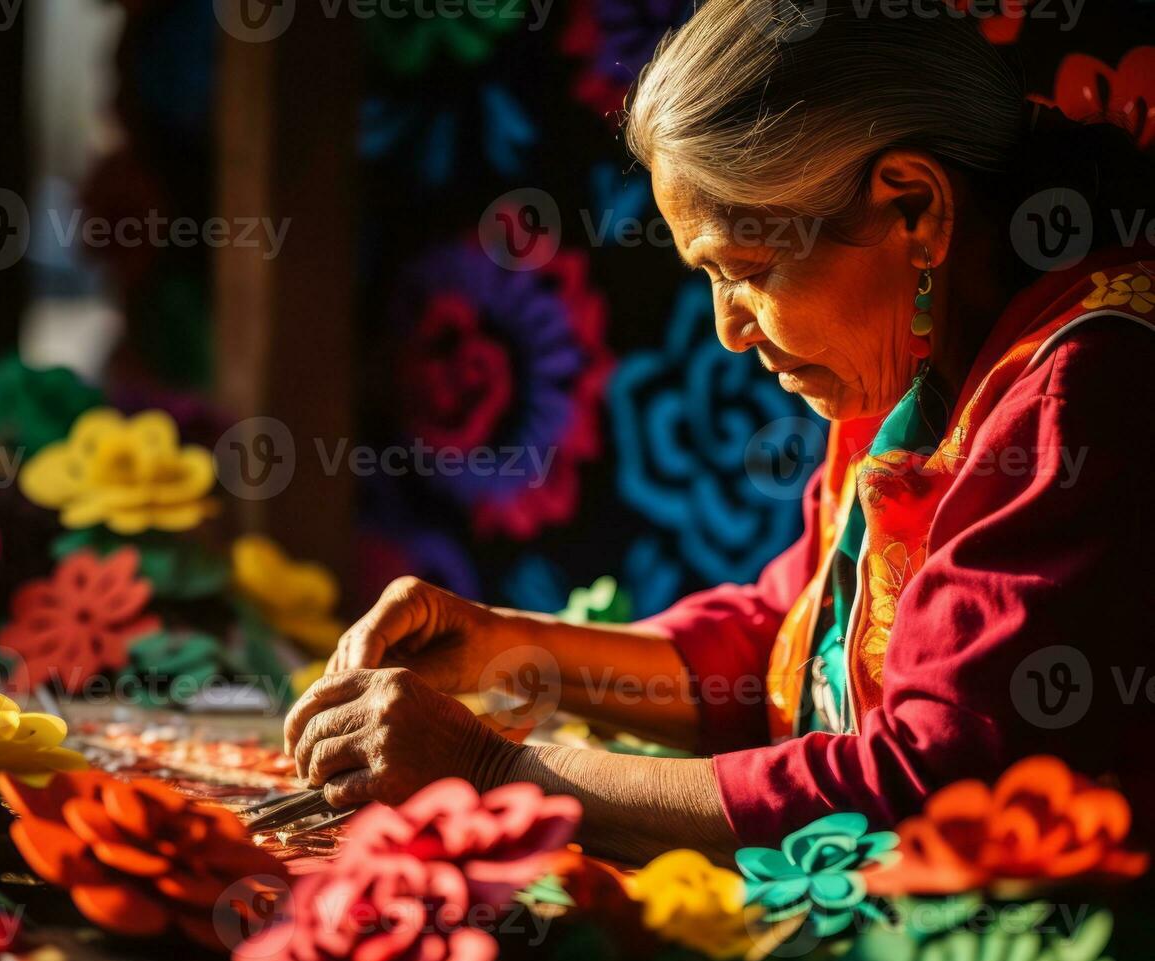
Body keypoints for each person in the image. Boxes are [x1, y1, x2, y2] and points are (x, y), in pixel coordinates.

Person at [284, 1, 1155, 862]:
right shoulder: (913, 370)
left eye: (747, 270)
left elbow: (926, 788)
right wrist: (503, 648)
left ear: (911, 210)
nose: (728, 330)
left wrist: (486, 767)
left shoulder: (1080, 395)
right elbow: (788, 640)